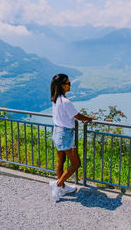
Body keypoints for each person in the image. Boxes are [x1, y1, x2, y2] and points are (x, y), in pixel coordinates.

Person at [49, 73, 94, 201]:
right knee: (76, 163)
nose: (70, 85)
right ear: (62, 86)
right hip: (66, 135)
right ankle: (58, 186)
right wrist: (90, 118)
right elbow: (78, 116)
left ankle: (62, 187)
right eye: (68, 83)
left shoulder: (55, 99)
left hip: (57, 132)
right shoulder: (66, 102)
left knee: (60, 161)